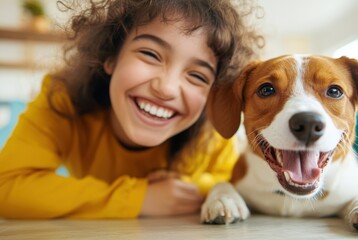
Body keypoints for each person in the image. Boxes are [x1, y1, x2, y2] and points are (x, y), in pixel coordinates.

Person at [0, 0, 263, 219]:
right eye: (150, 54)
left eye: (198, 76)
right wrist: (140, 198)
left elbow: (233, 182)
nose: (168, 88)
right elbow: (8, 186)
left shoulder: (211, 128)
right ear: (111, 57)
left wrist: (193, 186)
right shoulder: (63, 99)